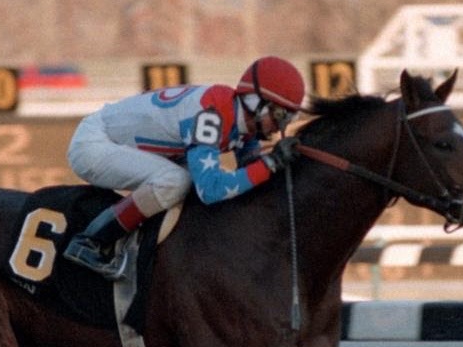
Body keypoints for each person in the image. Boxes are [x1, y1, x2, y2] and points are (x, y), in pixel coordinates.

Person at [63, 56, 306, 279]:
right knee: (176, 181)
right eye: (280, 115)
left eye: (289, 119)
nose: (281, 125)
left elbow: (250, 174)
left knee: (188, 180)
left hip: (120, 140)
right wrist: (271, 162)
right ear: (256, 103)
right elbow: (211, 191)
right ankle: (90, 242)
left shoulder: (241, 119)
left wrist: (281, 165)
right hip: (95, 143)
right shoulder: (210, 115)